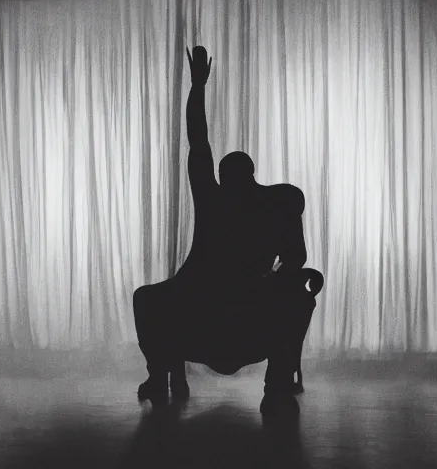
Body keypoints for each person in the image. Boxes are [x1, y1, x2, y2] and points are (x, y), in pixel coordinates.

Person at [132, 46, 310, 414]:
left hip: (233, 296)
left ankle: (276, 383)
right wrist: (196, 88)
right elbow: (198, 142)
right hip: (200, 292)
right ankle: (158, 374)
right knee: (145, 298)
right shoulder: (241, 202)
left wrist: (278, 277)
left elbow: (296, 257)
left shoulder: (268, 204)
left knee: (297, 300)